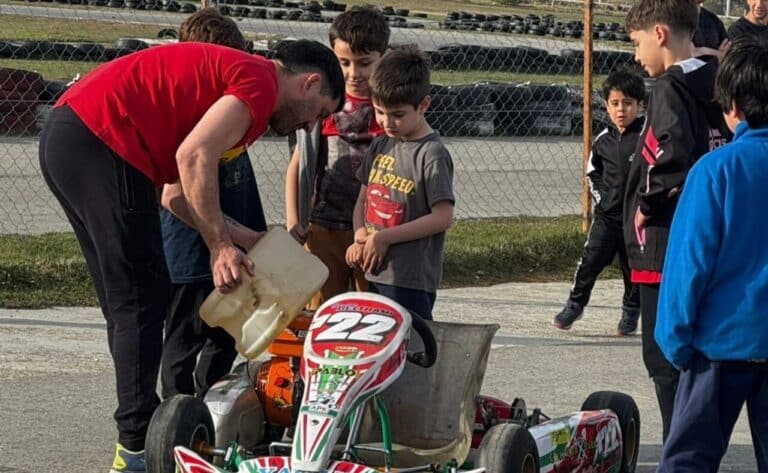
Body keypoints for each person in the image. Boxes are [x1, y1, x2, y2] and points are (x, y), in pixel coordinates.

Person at [39, 39, 344, 473]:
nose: (310, 125)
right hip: (102, 139)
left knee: (129, 302)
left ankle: (143, 430)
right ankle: (137, 446)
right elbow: (193, 156)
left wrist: (242, 237)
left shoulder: (245, 91)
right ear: (309, 83)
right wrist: (219, 246)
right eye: (320, 112)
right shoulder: (259, 81)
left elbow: (176, 195)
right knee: (142, 300)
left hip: (74, 136)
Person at [655, 36, 768, 473]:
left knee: (689, 461)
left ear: (733, 105)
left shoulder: (715, 171)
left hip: (719, 348)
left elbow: (689, 266)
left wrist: (675, 341)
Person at [622, 0, 730, 443]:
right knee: (695, 347)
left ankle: (677, 446)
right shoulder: (716, 81)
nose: (635, 56)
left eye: (636, 42)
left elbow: (671, 152)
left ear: (660, 34)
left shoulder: (668, 87)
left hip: (663, 240)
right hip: (708, 233)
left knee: (662, 354)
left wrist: (646, 205)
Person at [158, 8, 266, 400]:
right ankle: (175, 409)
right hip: (187, 250)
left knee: (229, 332)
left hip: (236, 247)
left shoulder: (237, 112)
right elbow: (174, 196)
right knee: (184, 335)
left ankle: (213, 402)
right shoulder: (183, 118)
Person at [285, 5, 390, 309]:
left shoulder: (392, 108)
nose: (353, 73)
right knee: (320, 312)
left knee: (369, 310)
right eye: (343, 62)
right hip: (323, 226)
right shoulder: (325, 102)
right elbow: (298, 165)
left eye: (364, 63)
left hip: (372, 232)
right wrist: (294, 220)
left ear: (384, 56)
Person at [346, 46, 455, 321]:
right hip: (374, 271)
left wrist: (384, 238)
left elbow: (442, 217)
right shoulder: (381, 144)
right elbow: (363, 198)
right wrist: (360, 236)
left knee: (408, 351)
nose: (387, 122)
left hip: (409, 280)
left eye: (397, 114)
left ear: (424, 105)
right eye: (380, 112)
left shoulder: (432, 154)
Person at [553, 69, 644, 335]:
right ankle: (575, 304)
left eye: (628, 104)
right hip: (607, 218)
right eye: (615, 104)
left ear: (639, 105)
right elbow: (592, 174)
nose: (621, 110)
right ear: (606, 105)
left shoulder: (646, 137)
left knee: (634, 268)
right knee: (590, 260)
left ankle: (630, 311)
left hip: (636, 219)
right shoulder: (603, 141)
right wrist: (603, 200)